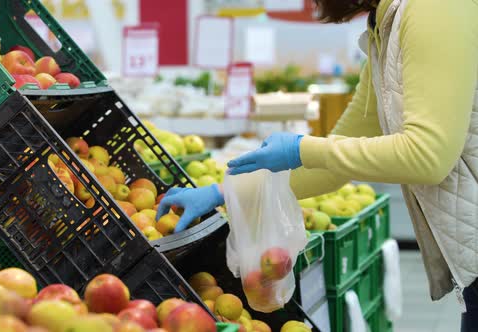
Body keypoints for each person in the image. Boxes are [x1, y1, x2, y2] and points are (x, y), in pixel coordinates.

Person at [156, 0, 478, 330]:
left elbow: (428, 156)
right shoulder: (385, 27)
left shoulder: (435, 8)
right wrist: (223, 191)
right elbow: (332, 165)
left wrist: (303, 149)